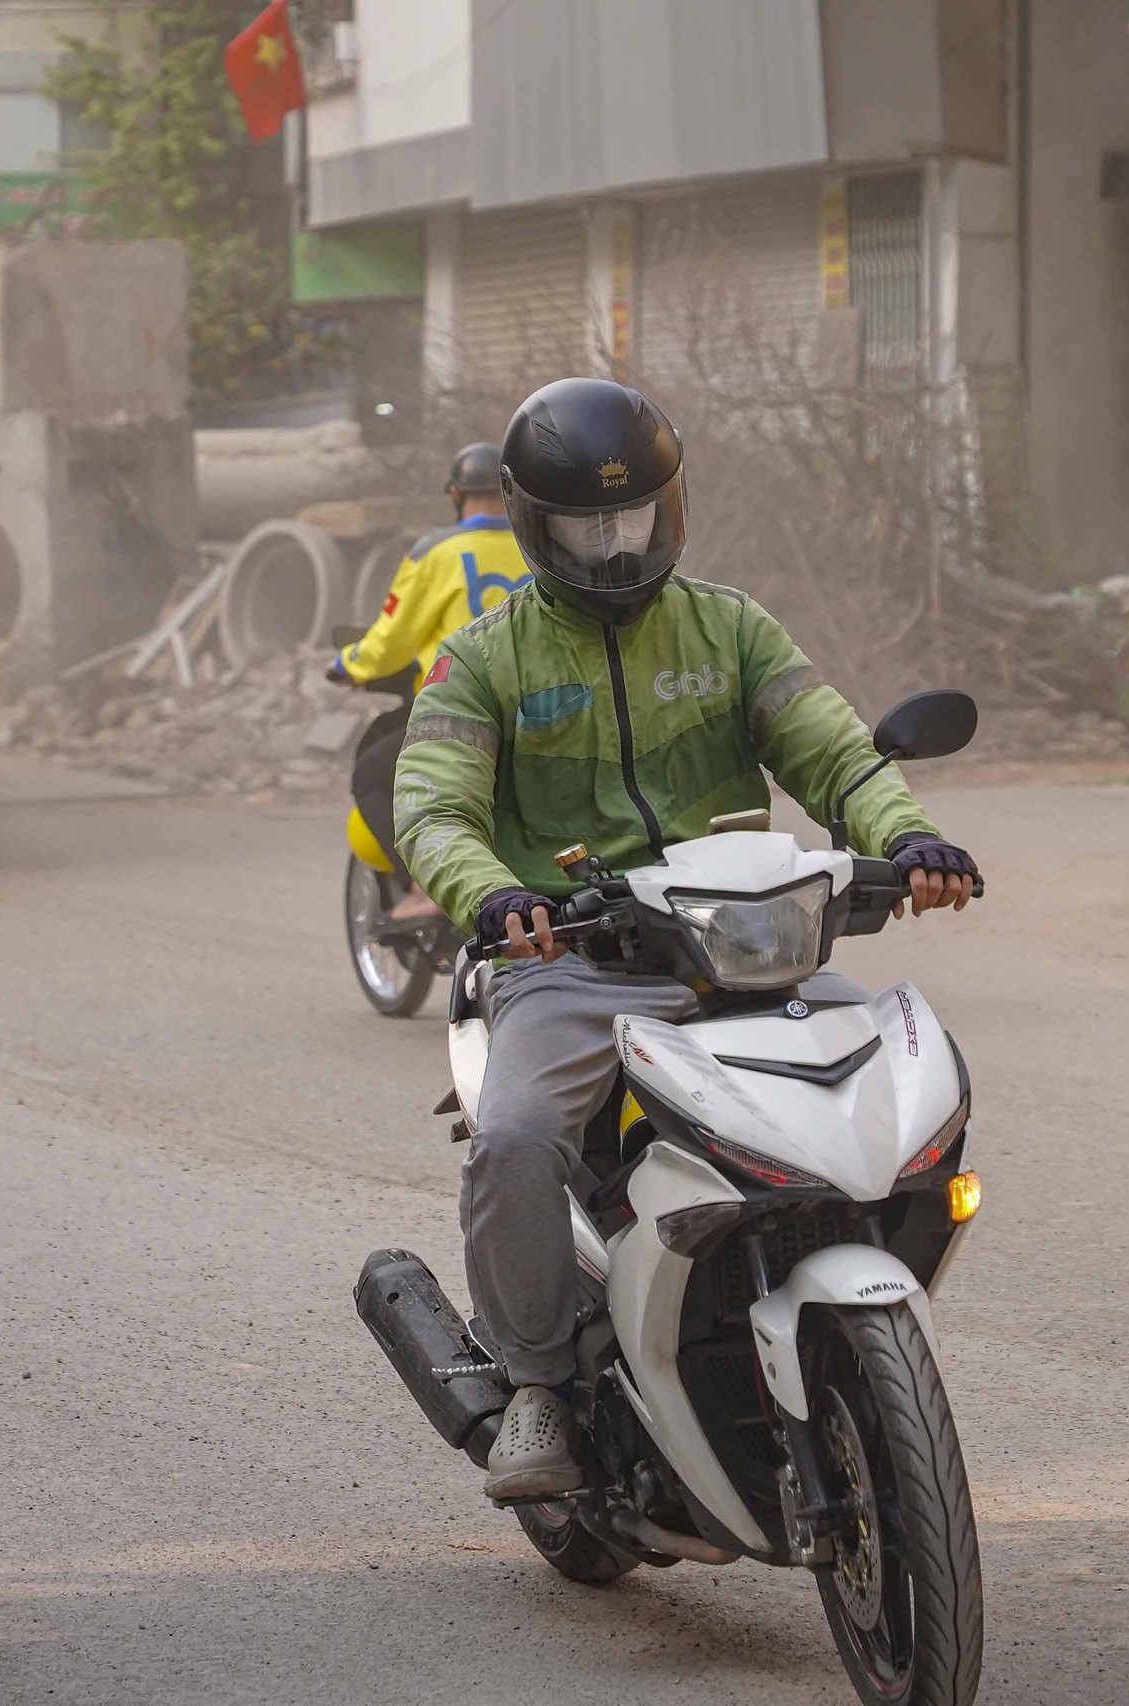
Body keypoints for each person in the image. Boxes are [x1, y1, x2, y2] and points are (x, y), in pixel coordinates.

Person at [390, 378, 980, 1501]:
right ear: (532, 521)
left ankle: (843, 1316)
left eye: (632, 517)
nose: (613, 545)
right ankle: (534, 1384)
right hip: (568, 961)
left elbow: (837, 754)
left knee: (906, 1091)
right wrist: (491, 895)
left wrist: (910, 839)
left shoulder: (731, 627)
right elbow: (431, 806)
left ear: (672, 507)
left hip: (749, 950)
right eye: (583, 524)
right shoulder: (482, 660)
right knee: (515, 1138)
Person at [329, 442, 532, 920]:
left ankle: (424, 886)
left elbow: (389, 643)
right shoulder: (540, 549)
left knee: (373, 776)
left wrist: (348, 665)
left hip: (458, 716)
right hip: (542, 714)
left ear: (456, 495)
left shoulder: (435, 554)